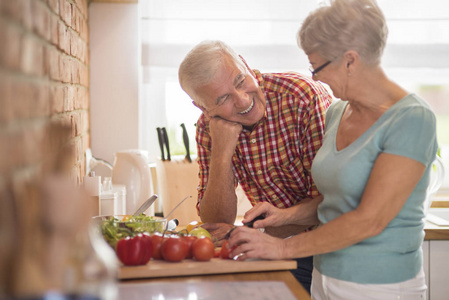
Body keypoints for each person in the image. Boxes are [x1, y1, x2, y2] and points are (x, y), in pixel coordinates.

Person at [226, 0, 438, 299]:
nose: (314, 77)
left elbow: (370, 219)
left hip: (382, 286)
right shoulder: (337, 113)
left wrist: (283, 247)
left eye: (317, 66)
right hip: (324, 278)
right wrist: (285, 216)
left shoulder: (411, 118)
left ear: (350, 60)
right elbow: (337, 201)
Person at [178, 40, 333, 293]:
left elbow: (331, 203)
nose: (242, 100)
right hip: (274, 250)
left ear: (246, 64)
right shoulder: (209, 128)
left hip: (329, 247)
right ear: (204, 108)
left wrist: (260, 232)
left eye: (240, 81)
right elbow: (216, 222)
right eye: (223, 98)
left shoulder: (301, 97)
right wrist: (222, 151)